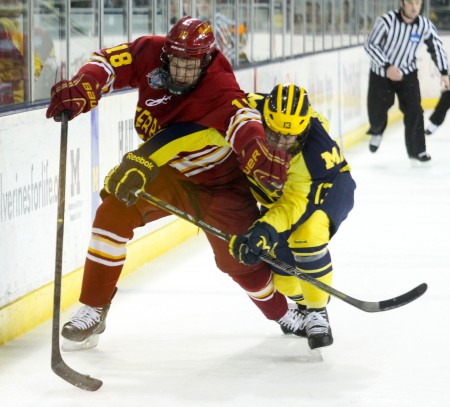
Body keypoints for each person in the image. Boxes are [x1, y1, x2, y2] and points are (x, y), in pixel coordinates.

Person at [45, 17, 301, 349]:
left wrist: (256, 147)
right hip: (169, 173)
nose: (181, 71)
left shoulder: (220, 86)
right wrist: (85, 84)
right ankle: (94, 308)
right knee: (113, 211)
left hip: (219, 185)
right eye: (176, 61)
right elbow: (107, 61)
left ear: (206, 61)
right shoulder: (149, 51)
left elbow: (243, 120)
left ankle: (282, 312)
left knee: (239, 262)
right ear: (166, 54)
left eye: (190, 65)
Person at [229, 84, 356, 350]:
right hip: (284, 199)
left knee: (307, 238)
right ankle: (304, 302)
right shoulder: (250, 110)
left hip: (328, 188)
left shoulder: (313, 156)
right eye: (274, 133)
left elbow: (293, 204)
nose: (281, 144)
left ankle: (318, 312)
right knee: (284, 279)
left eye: (290, 137)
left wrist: (265, 227)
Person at [364, 0, 449, 162]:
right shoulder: (386, 21)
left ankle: (417, 151)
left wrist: (444, 72)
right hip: (381, 74)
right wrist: (387, 66)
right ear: (402, 3)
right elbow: (370, 44)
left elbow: (436, 47)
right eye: (410, 2)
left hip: (407, 74)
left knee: (415, 110)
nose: (414, 7)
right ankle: (377, 131)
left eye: (418, 3)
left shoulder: (424, 25)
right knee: (377, 113)